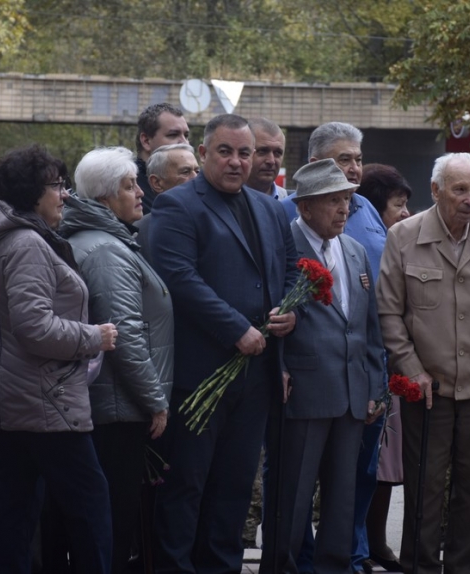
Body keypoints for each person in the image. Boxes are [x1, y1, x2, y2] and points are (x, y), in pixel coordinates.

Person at [150, 114, 298, 574]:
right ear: (203, 153)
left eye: (245, 153)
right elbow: (178, 278)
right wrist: (236, 328)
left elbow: (291, 269)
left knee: (234, 488)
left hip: (257, 378)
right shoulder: (176, 206)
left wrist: (291, 312)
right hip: (200, 376)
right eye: (225, 152)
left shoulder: (271, 208)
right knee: (187, 488)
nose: (236, 162)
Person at [0, 145, 118, 574]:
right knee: (91, 510)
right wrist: (96, 336)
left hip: (17, 398)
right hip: (46, 401)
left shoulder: (7, 236)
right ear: (33, 192)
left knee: (18, 515)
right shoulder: (27, 243)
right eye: (57, 186)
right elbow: (33, 327)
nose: (65, 195)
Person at [376, 152, 470, 574]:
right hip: (428, 390)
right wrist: (411, 368)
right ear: (436, 190)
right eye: (460, 189)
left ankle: (467, 566)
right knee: (424, 490)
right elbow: (389, 313)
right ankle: (420, 566)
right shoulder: (404, 236)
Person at [261, 158, 385, 574]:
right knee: (291, 500)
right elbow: (269, 315)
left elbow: (369, 329)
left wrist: (375, 388)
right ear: (305, 206)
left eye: (347, 199)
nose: (343, 209)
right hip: (302, 394)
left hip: (352, 396)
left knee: (342, 497)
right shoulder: (282, 249)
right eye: (333, 201)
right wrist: (275, 369)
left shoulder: (353, 249)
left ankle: (334, 568)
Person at [59, 146, 173, 574]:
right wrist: (156, 400)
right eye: (130, 185)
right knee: (113, 521)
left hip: (114, 404)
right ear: (106, 197)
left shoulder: (110, 240)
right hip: (117, 408)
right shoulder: (106, 250)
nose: (140, 192)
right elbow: (123, 335)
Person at [355, 162, 412, 572]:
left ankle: (373, 542)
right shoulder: (372, 241)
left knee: (384, 466)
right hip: (376, 368)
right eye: (398, 205)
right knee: (374, 465)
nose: (405, 213)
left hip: (389, 367)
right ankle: (369, 543)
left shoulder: (386, 236)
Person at [135, 143, 200, 267]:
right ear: (157, 183)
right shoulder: (141, 232)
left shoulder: (215, 219)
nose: (196, 178)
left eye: (197, 171)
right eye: (185, 172)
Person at [135, 103, 190, 213]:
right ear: (146, 141)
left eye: (186, 135)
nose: (184, 142)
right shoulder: (129, 190)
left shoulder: (192, 181)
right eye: (173, 135)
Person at [247, 117, 287, 199]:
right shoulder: (225, 201)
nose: (271, 161)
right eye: (262, 151)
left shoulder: (291, 205)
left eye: (277, 153)